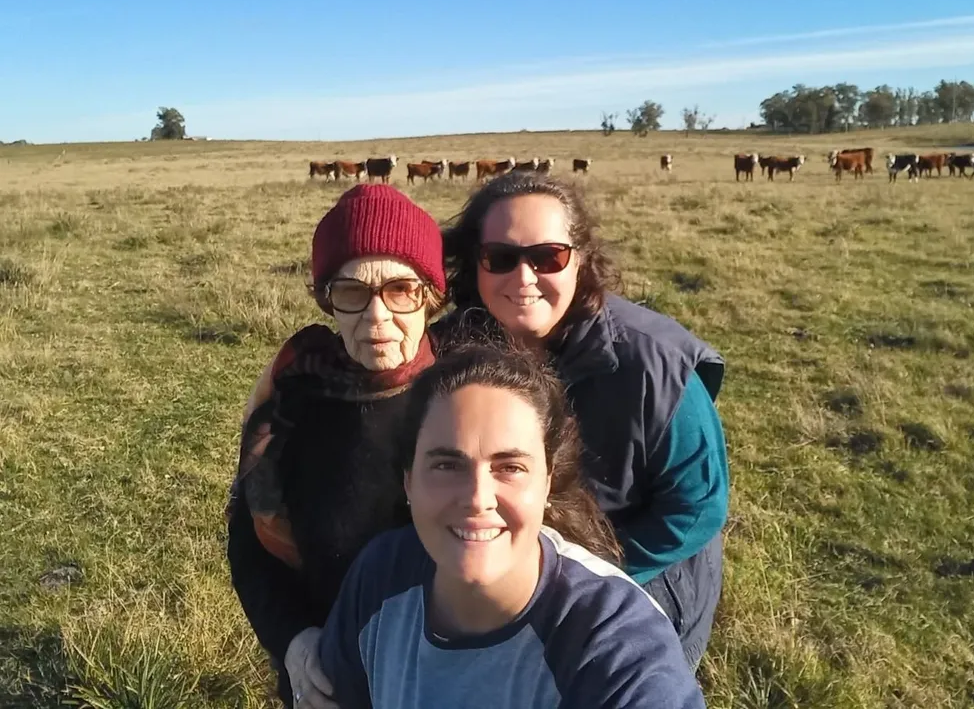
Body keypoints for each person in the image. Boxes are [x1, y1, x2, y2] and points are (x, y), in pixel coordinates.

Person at [437, 170, 728, 668]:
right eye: (500, 257)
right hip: (503, 571)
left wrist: (587, 577)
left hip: (638, 573)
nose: (524, 278)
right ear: (474, 263)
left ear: (580, 260)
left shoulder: (653, 364)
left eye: (547, 257)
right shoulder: (450, 352)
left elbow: (697, 506)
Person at [319, 344, 706, 709]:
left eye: (510, 468)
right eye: (447, 465)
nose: (477, 498)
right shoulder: (381, 576)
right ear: (408, 480)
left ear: (548, 481)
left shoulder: (617, 644)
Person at [227, 183, 446, 709]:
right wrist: (293, 640)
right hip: (325, 673)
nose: (376, 317)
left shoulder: (467, 397)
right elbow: (249, 541)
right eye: (352, 292)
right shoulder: (293, 397)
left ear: (431, 298)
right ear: (328, 300)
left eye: (401, 289)